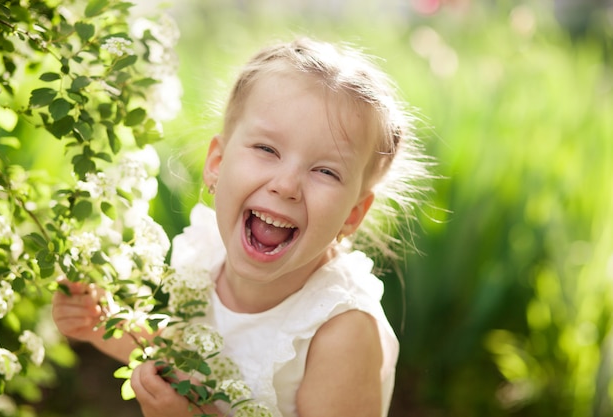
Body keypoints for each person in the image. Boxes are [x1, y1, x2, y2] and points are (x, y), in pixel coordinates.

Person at [52, 37, 430, 417]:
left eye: (326, 171)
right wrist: (98, 323)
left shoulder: (339, 332)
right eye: (267, 149)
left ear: (352, 214)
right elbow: (182, 355)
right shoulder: (208, 254)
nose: (285, 185)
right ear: (216, 162)